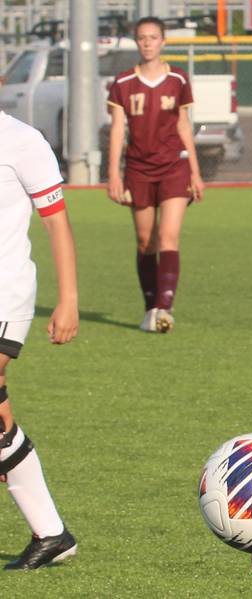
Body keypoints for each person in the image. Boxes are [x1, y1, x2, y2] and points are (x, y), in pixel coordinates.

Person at [0, 109, 79, 569]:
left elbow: (56, 222)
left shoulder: (22, 140)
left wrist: (68, 298)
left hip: (6, 295)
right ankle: (51, 534)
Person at [106, 16, 204, 334]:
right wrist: (114, 174)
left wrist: (195, 171)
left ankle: (165, 308)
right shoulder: (122, 83)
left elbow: (183, 124)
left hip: (174, 166)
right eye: (142, 38)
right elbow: (118, 130)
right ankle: (151, 308)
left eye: (153, 37)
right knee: (146, 241)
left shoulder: (177, 78)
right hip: (138, 168)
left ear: (163, 41)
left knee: (168, 237)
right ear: (137, 42)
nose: (148, 43)